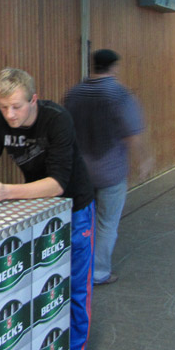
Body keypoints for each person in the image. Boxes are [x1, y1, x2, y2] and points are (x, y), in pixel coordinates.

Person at [0, 68, 95, 350]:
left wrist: (6, 192)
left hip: (75, 207)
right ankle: (37, 347)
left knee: (76, 288)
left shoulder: (57, 119)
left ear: (33, 100)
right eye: (3, 107)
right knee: (39, 284)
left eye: (17, 107)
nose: (10, 115)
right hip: (37, 211)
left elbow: (57, 184)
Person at [64, 49, 148, 286]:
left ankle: (74, 269)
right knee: (107, 223)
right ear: (114, 67)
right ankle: (99, 272)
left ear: (93, 65)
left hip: (80, 171)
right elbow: (132, 134)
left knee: (81, 221)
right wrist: (143, 160)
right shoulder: (120, 94)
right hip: (111, 172)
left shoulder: (74, 93)